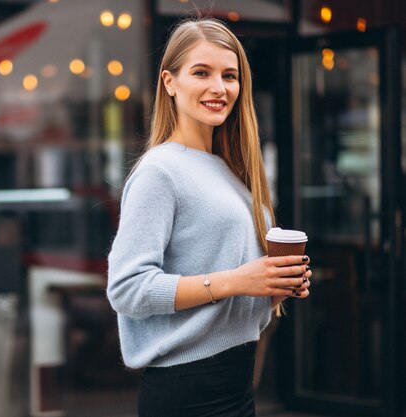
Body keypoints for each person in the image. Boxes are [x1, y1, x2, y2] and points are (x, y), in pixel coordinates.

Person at [106, 18, 312, 417]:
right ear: (170, 82)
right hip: (187, 390)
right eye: (202, 72)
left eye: (229, 75)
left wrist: (275, 285)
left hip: (236, 380)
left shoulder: (232, 170)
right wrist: (238, 280)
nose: (219, 88)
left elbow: (236, 280)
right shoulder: (160, 171)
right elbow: (127, 289)